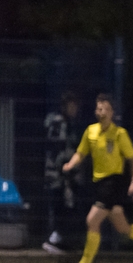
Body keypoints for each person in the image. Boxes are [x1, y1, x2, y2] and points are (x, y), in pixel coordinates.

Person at [60, 94, 133, 263]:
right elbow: (81, 152)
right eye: (98, 108)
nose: (100, 111)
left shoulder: (119, 134)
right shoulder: (91, 131)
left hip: (114, 182)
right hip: (100, 183)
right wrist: (70, 164)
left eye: (104, 108)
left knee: (92, 220)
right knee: (122, 227)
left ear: (111, 112)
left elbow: (132, 159)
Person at [43, 91, 84, 254]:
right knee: (61, 206)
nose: (74, 109)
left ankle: (60, 239)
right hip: (58, 174)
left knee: (67, 207)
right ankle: (53, 240)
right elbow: (57, 147)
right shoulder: (59, 122)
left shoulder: (69, 123)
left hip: (65, 174)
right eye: (71, 106)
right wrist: (65, 168)